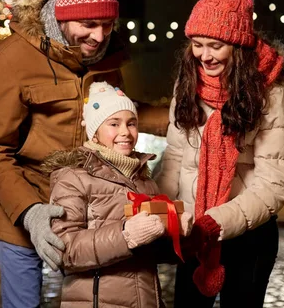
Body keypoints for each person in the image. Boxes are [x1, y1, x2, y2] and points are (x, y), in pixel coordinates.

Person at [0, 0, 127, 307]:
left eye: (107, 25)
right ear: (62, 17)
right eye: (88, 25)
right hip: (24, 210)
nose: (98, 35)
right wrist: (31, 211)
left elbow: (120, 111)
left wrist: (187, 114)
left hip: (86, 214)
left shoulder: (105, 56)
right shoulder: (9, 60)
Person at [156, 0, 284, 307]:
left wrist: (217, 222)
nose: (204, 55)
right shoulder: (187, 84)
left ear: (238, 47)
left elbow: (273, 184)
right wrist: (162, 210)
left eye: (215, 46)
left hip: (248, 234)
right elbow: (175, 157)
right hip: (193, 231)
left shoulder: (271, 93)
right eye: (197, 44)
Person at [46, 82, 192, 307]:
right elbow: (64, 250)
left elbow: (151, 254)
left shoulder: (145, 181)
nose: (125, 132)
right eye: (114, 124)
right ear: (94, 132)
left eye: (131, 123)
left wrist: (175, 232)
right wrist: (126, 235)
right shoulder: (73, 178)